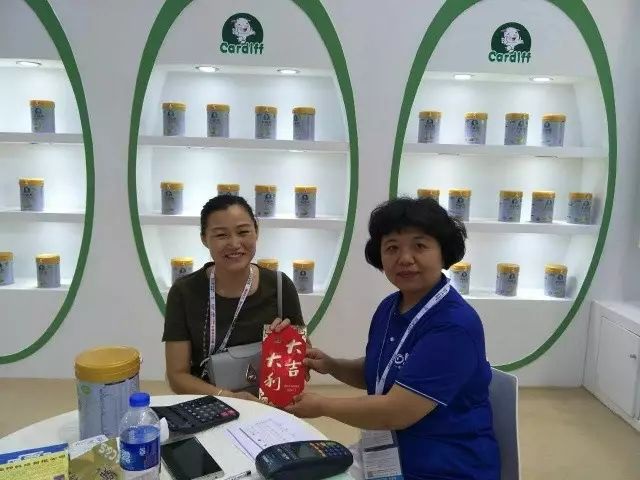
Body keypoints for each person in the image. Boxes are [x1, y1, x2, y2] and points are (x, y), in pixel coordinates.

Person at [286, 197, 500, 479]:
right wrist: (333, 365)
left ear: (443, 252)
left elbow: (397, 411)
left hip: (444, 466)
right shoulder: (390, 306)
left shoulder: (453, 326)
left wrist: (322, 405)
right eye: (392, 248)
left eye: (419, 246)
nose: (405, 258)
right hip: (387, 456)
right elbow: (381, 371)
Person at [162, 195, 304, 401]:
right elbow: (177, 376)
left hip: (270, 406)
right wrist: (227, 397)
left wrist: (290, 342)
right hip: (209, 405)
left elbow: (303, 360)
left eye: (243, 232)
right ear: (204, 238)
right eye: (221, 235)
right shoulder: (184, 292)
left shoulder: (281, 286)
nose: (235, 243)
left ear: (256, 231)